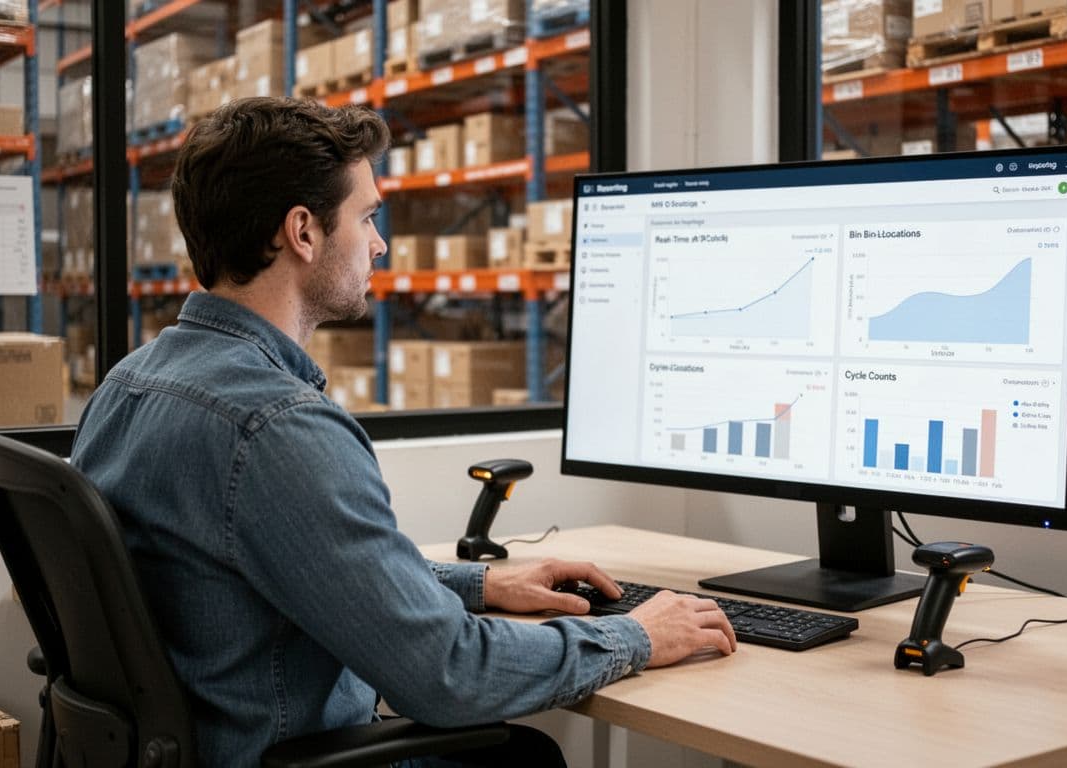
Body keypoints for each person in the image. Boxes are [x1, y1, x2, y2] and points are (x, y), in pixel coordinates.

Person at [70, 97, 737, 768]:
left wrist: (481, 586)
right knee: (520, 757)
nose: (379, 243)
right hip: (281, 751)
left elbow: (300, 566)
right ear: (303, 233)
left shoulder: (129, 386)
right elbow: (451, 676)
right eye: (366, 218)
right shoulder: (278, 430)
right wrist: (635, 636)